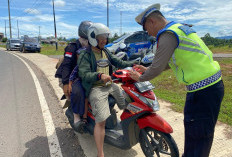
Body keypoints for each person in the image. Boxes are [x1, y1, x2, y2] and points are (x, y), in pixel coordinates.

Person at [129, 3, 224, 157]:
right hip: (213, 86)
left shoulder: (167, 34)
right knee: (203, 136)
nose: (150, 34)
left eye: (147, 30)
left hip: (202, 92)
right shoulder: (179, 28)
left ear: (152, 21)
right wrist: (147, 69)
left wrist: (140, 77)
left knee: (196, 136)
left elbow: (158, 66)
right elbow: (170, 61)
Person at [77, 23, 135, 157]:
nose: (104, 40)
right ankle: (100, 153)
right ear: (93, 38)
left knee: (128, 104)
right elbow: (84, 74)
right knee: (101, 121)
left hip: (110, 85)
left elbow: (118, 62)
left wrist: (133, 64)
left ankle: (126, 129)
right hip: (96, 88)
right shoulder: (85, 54)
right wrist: (99, 75)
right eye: (101, 37)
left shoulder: (106, 51)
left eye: (105, 37)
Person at [55, 21, 92, 130]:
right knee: (78, 91)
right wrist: (66, 83)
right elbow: (66, 66)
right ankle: (76, 117)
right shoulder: (72, 47)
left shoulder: (91, 45)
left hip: (82, 75)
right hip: (68, 76)